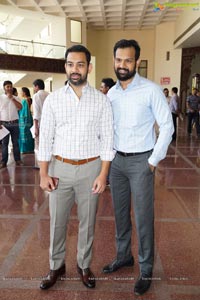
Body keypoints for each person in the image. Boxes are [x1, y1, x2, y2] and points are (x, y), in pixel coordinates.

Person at [38, 44, 114, 290]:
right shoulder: (53, 100)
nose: (75, 69)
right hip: (60, 169)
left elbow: (108, 139)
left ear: (89, 67)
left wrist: (103, 174)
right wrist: (43, 173)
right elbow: (45, 137)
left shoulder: (101, 101)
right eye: (70, 64)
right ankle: (56, 266)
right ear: (65, 67)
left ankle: (83, 265)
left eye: (80, 64)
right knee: (57, 222)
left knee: (87, 222)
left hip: (91, 169)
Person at [102, 39, 174, 296]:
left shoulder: (150, 90)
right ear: (114, 60)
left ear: (137, 62)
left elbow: (167, 126)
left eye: (128, 60)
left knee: (143, 218)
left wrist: (153, 161)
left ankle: (145, 268)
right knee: (120, 214)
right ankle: (124, 256)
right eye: (119, 60)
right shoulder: (111, 94)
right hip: (117, 162)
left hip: (142, 161)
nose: (123, 65)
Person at [0, 80, 23, 169]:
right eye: (7, 87)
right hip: (4, 124)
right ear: (4, 88)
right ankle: (3, 162)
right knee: (4, 144)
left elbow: (20, 107)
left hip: (14, 123)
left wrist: (12, 98)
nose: (9, 88)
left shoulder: (16, 98)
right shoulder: (1, 98)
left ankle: (18, 160)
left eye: (10, 86)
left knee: (16, 143)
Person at [32, 79, 49, 168]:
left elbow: (36, 113)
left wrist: (35, 127)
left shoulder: (36, 96)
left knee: (38, 144)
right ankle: (48, 163)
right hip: (49, 123)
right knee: (47, 143)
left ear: (37, 86)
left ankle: (39, 164)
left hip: (40, 123)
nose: (34, 88)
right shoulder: (49, 95)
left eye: (34, 86)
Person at [18, 87, 34, 153]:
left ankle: (25, 149)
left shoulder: (24, 100)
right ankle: (30, 148)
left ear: (24, 93)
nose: (20, 93)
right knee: (29, 133)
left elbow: (24, 112)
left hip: (25, 119)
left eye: (21, 92)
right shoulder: (29, 99)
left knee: (24, 134)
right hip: (29, 118)